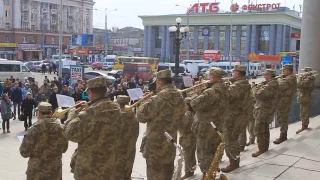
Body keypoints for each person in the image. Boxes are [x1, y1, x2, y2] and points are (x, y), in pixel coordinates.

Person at [63, 77, 122, 180]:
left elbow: (70, 134)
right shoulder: (116, 108)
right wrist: (89, 108)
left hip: (89, 169)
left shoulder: (90, 114)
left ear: (91, 93)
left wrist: (71, 115)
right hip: (108, 166)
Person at [136, 69, 185, 180]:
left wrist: (145, 101)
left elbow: (141, 117)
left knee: (154, 174)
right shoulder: (179, 97)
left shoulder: (157, 99)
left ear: (160, 83)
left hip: (155, 145)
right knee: (168, 173)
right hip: (170, 142)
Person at [190, 67, 229, 178]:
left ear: (213, 76)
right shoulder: (225, 88)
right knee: (213, 151)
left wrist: (196, 92)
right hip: (218, 125)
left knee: (204, 152)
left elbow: (194, 104)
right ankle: (212, 173)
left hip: (205, 127)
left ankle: (207, 176)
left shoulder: (211, 92)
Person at [19, 102, 69, 180]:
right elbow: (64, 148)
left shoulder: (34, 129)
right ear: (51, 112)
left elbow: (24, 152)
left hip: (36, 172)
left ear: (39, 113)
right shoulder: (61, 128)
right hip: (54, 171)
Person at [221, 65, 250, 173]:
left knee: (231, 140)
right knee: (232, 139)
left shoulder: (240, 85)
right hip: (236, 115)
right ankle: (234, 161)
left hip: (234, 116)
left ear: (237, 73)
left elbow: (228, 95)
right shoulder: (242, 83)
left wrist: (221, 86)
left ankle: (233, 163)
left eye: (233, 72)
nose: (232, 74)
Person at [251, 69, 279, 157]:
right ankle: (265, 147)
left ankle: (261, 149)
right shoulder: (271, 84)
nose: (264, 76)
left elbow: (259, 95)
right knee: (265, 129)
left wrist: (254, 87)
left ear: (270, 75)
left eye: (266, 75)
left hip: (263, 110)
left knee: (259, 130)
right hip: (266, 110)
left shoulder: (271, 85)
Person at [114, 95, 139, 179]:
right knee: (127, 175)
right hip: (130, 150)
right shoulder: (133, 117)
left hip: (118, 151)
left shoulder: (117, 117)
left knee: (117, 175)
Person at [273, 64, 297, 144]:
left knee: (283, 118)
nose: (283, 72)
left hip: (284, 100)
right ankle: (283, 135)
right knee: (281, 117)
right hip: (283, 99)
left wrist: (277, 80)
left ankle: (283, 136)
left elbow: (280, 86)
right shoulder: (288, 78)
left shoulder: (290, 78)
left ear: (289, 70)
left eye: (285, 70)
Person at [179, 97, 197, 179]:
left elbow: (182, 126)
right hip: (194, 136)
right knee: (192, 154)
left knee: (188, 155)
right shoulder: (195, 113)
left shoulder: (187, 114)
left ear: (188, 106)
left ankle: (188, 172)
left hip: (188, 137)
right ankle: (191, 170)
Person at [296, 67, 316, 134]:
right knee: (303, 112)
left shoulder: (309, 79)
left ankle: (304, 126)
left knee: (304, 113)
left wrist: (299, 79)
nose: (303, 73)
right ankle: (304, 125)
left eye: (305, 71)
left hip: (306, 98)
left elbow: (300, 85)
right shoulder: (307, 78)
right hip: (303, 98)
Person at [238, 80, 254, 151]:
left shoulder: (250, 91)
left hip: (248, 111)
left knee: (248, 127)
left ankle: (250, 140)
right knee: (246, 127)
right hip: (246, 111)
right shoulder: (248, 90)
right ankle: (248, 141)